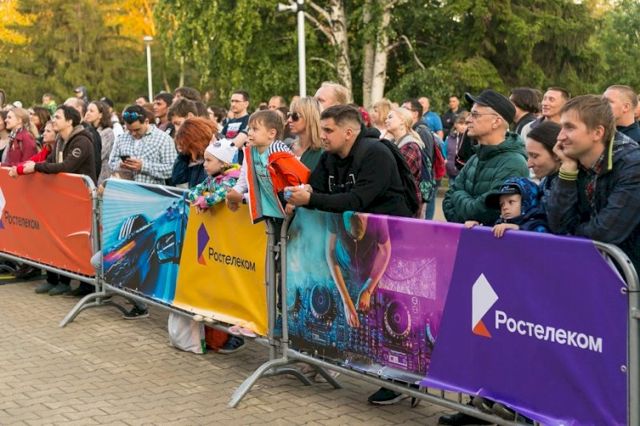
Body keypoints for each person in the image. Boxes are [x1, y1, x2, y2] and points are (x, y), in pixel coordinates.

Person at [224, 110, 310, 354]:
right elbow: (245, 180)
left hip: (291, 222)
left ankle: (284, 324)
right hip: (270, 219)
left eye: (255, 129)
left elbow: (299, 178)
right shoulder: (250, 153)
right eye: (249, 129)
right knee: (267, 271)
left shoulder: (280, 152)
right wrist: (235, 194)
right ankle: (263, 319)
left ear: (272, 133)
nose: (249, 133)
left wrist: (293, 199)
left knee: (285, 274)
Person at [547, 94, 640, 274]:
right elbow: (558, 225)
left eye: (569, 127)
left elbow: (605, 232)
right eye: (561, 127)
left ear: (598, 133)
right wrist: (567, 172)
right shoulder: (574, 161)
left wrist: (570, 233)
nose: (560, 137)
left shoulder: (633, 165)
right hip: (596, 270)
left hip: (628, 276)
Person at [286, 104, 412, 217]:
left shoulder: (377, 153)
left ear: (348, 133)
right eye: (321, 130)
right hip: (351, 232)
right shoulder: (329, 155)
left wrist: (310, 199)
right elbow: (317, 190)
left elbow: (356, 201)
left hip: (391, 231)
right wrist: (304, 192)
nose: (321, 136)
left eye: (328, 130)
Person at [442, 90, 529, 227]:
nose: (468, 119)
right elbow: (447, 201)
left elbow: (486, 211)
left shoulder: (514, 163)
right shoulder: (475, 158)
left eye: (475, 115)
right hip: (468, 238)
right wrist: (465, 220)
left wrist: (459, 197)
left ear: (496, 122)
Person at [108, 105, 178, 185]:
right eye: (130, 130)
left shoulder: (163, 139)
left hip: (151, 191)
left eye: (137, 129)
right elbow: (111, 163)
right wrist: (121, 165)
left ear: (146, 121)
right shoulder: (121, 139)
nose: (133, 133)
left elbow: (172, 169)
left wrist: (143, 167)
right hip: (124, 190)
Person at [464, 177, 548, 237]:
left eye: (511, 202)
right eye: (502, 204)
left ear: (526, 202)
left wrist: (519, 229)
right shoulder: (499, 223)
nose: (505, 207)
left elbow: (543, 244)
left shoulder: (537, 225)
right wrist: (478, 228)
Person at [384, 107, 424, 216]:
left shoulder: (410, 146)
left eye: (390, 117)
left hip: (406, 204)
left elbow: (395, 175)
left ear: (402, 121)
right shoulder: (394, 143)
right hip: (396, 202)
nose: (386, 120)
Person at [185, 138, 240, 212]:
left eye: (208, 160)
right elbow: (194, 190)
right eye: (205, 160)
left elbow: (219, 195)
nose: (204, 164)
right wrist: (197, 200)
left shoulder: (231, 180)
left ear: (223, 163)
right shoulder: (210, 179)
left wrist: (204, 202)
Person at [525, 121, 562, 211]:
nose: (529, 164)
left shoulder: (573, 187)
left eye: (534, 156)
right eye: (528, 156)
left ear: (556, 154)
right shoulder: (546, 183)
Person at [171, 117, 217, 188]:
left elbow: (206, 185)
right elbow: (177, 179)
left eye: (189, 146)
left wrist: (211, 153)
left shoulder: (219, 155)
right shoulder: (191, 155)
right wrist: (183, 153)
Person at [287, 97, 324, 171]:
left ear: (310, 118)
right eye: (289, 115)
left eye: (295, 116)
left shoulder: (324, 153)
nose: (289, 120)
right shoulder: (287, 147)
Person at [84, 101, 114, 187]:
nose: (88, 113)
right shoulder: (87, 130)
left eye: (91, 111)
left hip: (101, 177)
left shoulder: (108, 132)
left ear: (100, 115)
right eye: (87, 110)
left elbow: (99, 155)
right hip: (88, 174)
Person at [445, 112, 469, 184]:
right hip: (451, 173)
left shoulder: (471, 139)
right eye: (461, 123)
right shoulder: (449, 138)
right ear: (455, 124)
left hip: (466, 174)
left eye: (466, 124)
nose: (463, 126)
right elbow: (444, 152)